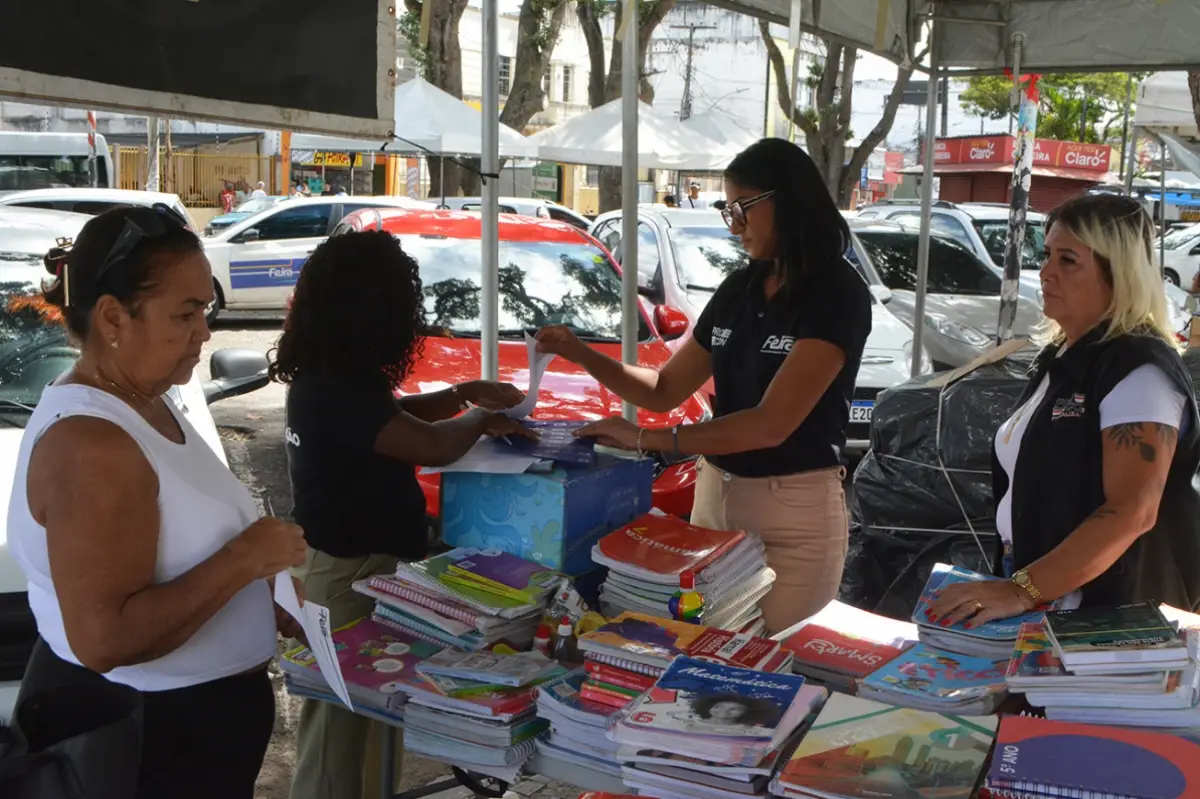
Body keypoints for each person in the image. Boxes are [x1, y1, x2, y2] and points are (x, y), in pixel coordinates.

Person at [8, 205, 308, 797]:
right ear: (115, 316)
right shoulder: (93, 444)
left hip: (183, 729)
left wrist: (256, 591)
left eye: (207, 309)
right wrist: (245, 562)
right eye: (187, 313)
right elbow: (105, 639)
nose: (205, 331)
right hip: (150, 740)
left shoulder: (141, 398)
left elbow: (176, 548)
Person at [536, 138, 872, 634]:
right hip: (714, 501)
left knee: (764, 670)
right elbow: (664, 388)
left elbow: (770, 424)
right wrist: (580, 353)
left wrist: (648, 440)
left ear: (790, 200)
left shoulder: (837, 293)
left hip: (792, 517)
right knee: (694, 654)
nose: (733, 224)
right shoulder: (740, 288)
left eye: (742, 208)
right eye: (726, 210)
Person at [271, 230, 535, 799]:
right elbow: (429, 446)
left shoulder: (335, 378)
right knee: (339, 737)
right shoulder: (336, 387)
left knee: (371, 727)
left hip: (356, 568)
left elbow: (396, 418)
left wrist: (463, 394)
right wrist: (479, 420)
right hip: (346, 578)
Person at [928, 194, 1200, 627]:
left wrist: (1021, 590)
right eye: (1048, 254)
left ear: (1119, 273)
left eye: (1069, 260)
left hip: (1113, 623)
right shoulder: (1064, 357)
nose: (1047, 272)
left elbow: (1133, 510)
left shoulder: (1138, 370)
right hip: (1049, 601)